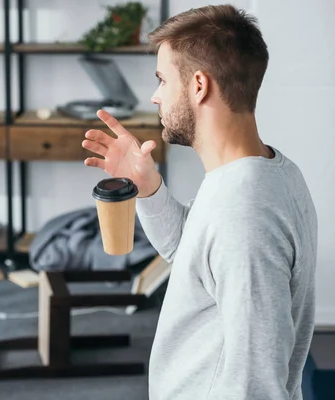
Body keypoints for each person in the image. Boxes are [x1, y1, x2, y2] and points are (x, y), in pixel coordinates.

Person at [82, 4, 318, 400]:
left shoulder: (244, 215)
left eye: (161, 80)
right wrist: (148, 186)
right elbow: (191, 253)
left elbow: (256, 383)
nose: (155, 97)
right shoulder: (262, 171)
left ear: (198, 85)